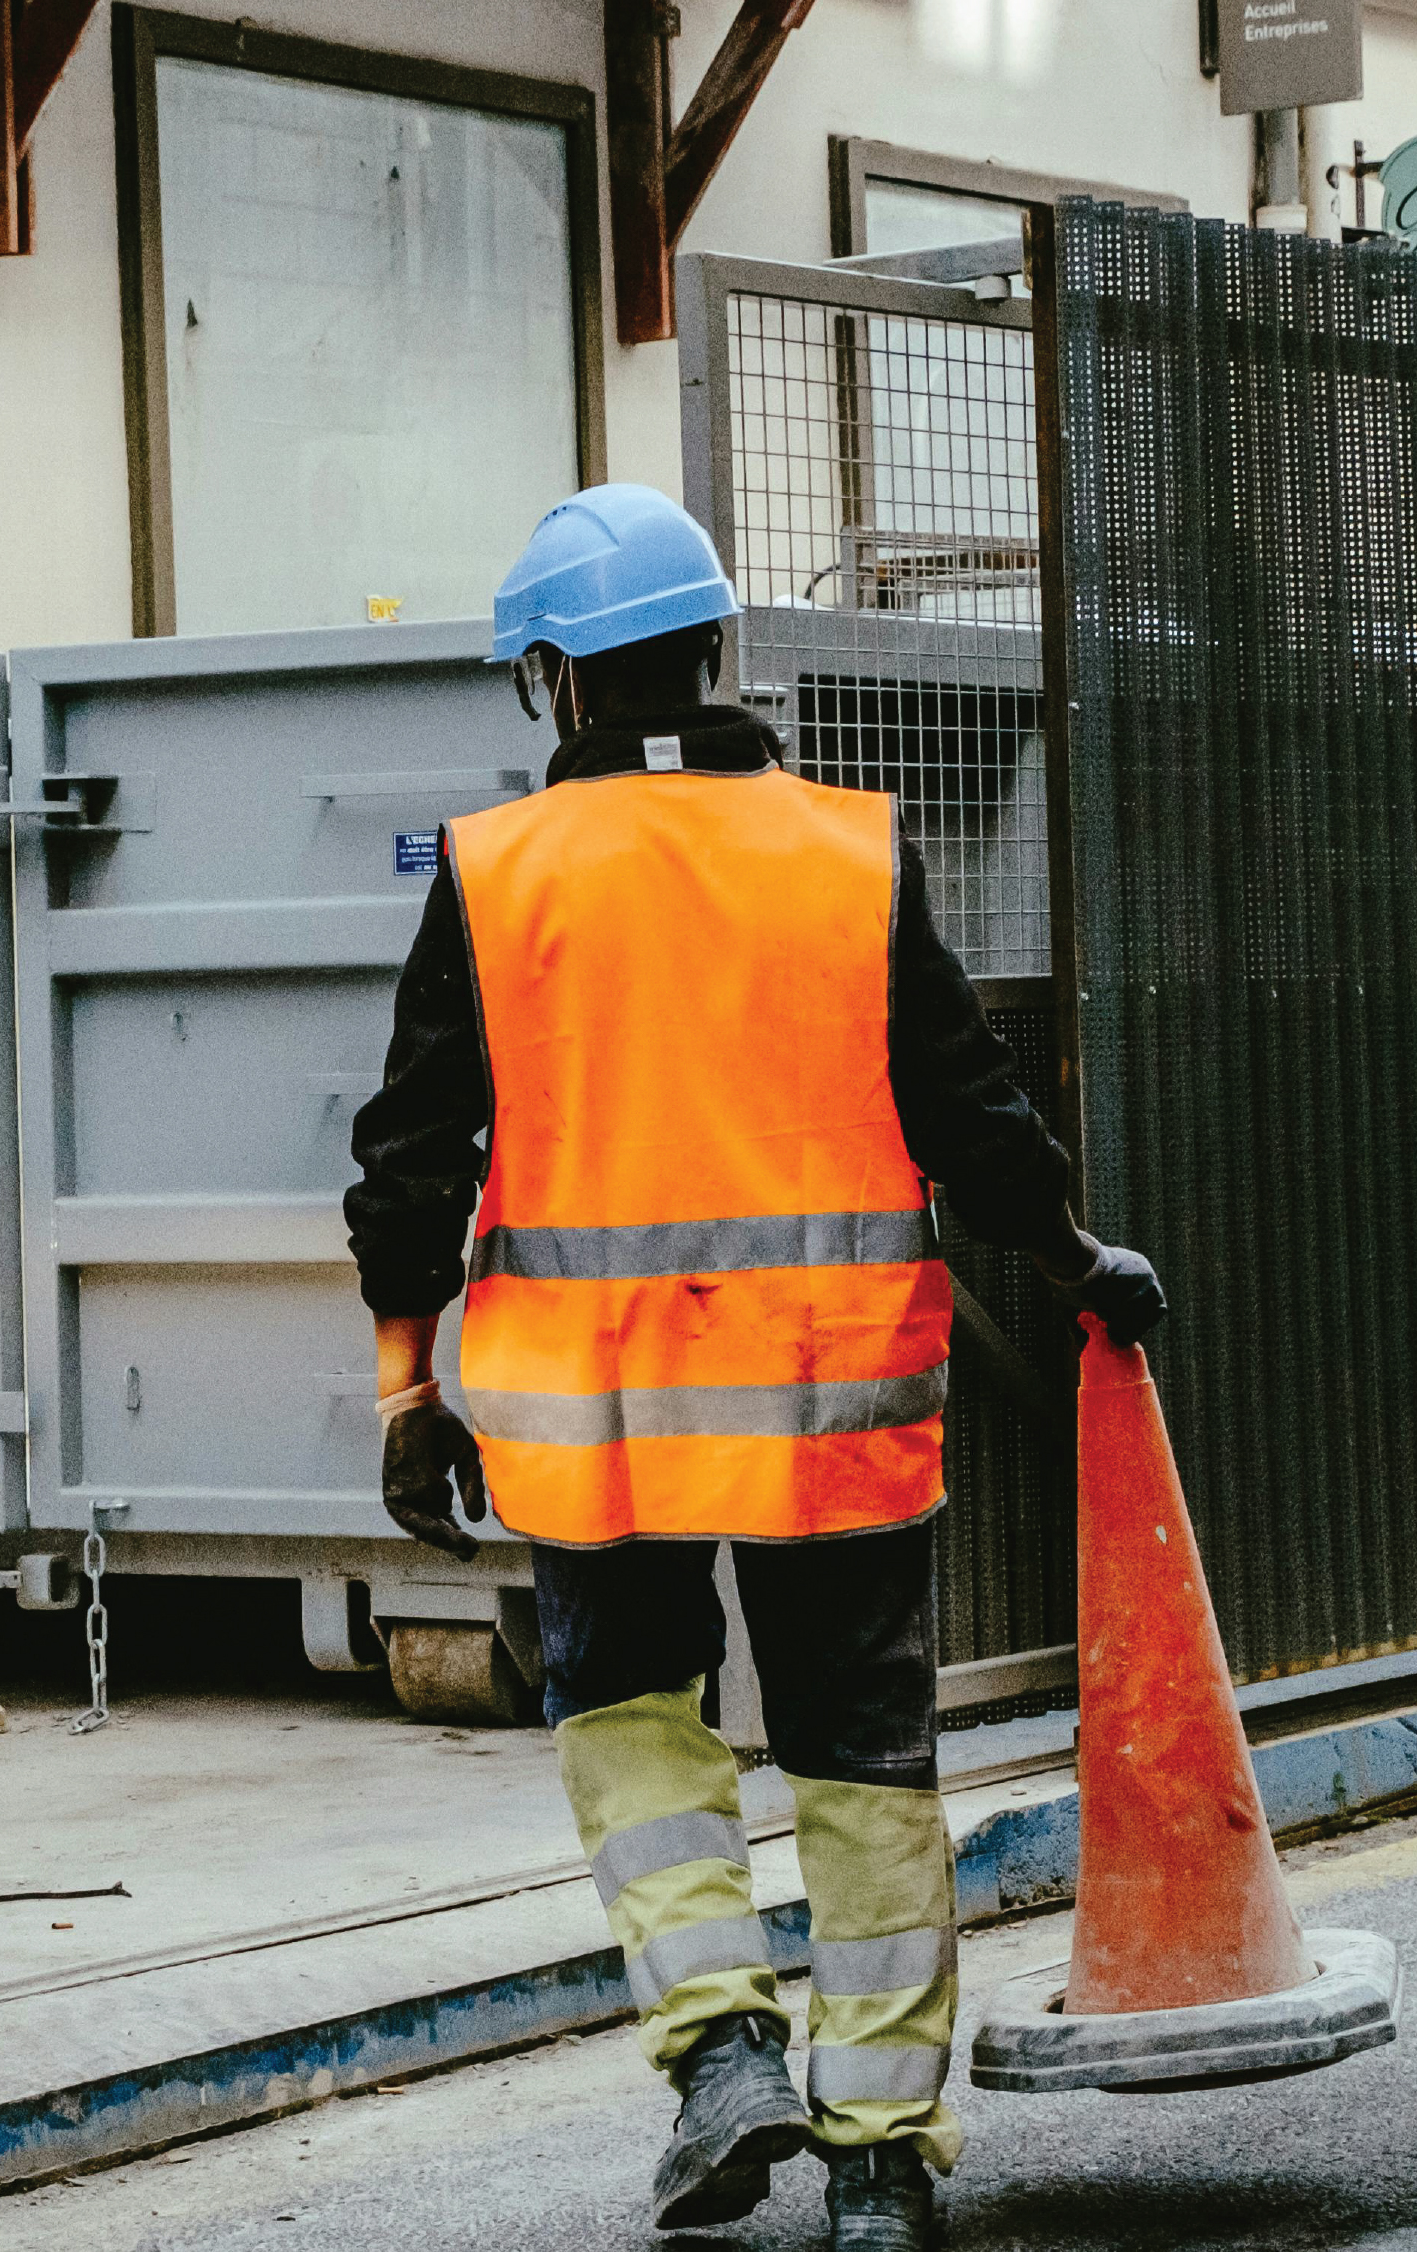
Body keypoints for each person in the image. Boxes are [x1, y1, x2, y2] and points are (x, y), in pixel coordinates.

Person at [342, 484, 1165, 2252]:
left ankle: (722, 2050)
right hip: (830, 1411)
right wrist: (1072, 1252)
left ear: (552, 682)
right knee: (866, 1756)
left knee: (634, 1722)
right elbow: (969, 1103)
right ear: (719, 651)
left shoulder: (499, 876)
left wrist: (408, 1386)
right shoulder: (845, 854)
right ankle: (876, 2154)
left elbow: (410, 1153)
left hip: (598, 1428)